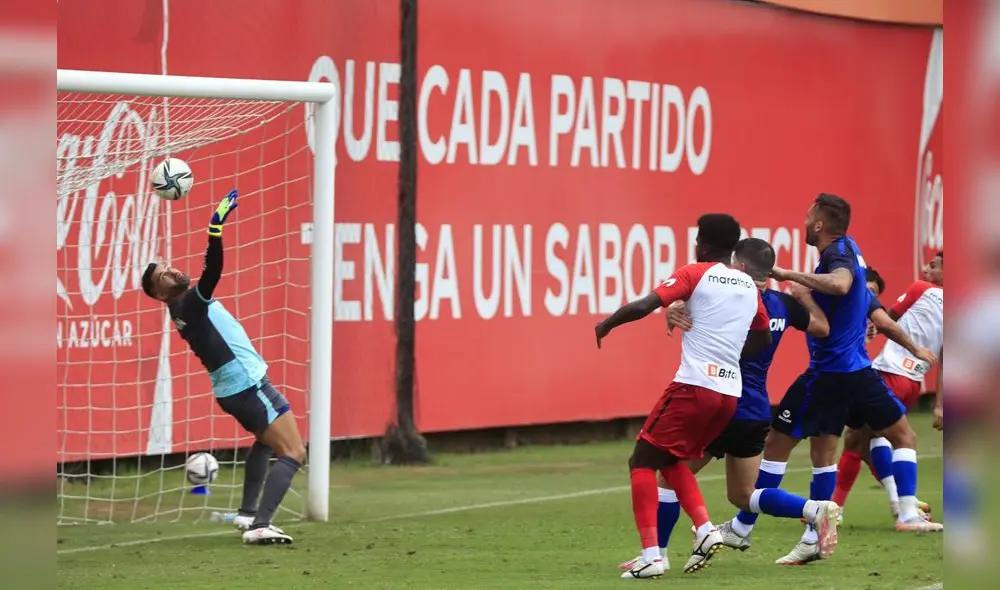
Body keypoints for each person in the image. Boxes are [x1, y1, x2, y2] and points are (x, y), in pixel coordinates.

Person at [617, 238, 839, 574]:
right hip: (755, 409)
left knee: (667, 472)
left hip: (718, 399)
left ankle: (659, 553)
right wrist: (804, 297)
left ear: (741, 265)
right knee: (744, 494)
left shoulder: (725, 296)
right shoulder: (780, 304)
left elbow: (699, 317)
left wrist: (675, 310)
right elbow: (822, 328)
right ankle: (812, 510)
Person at [762, 193, 939, 565]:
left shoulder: (838, 259)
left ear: (820, 224)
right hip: (862, 373)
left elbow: (840, 289)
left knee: (792, 445)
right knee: (868, 440)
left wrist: (790, 278)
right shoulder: (854, 254)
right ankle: (896, 510)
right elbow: (880, 316)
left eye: (809, 216)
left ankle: (750, 522)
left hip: (833, 374)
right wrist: (915, 349)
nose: (805, 221)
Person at [595, 214, 773, 579]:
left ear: (704, 243)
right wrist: (726, 348)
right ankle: (706, 530)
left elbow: (646, 304)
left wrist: (607, 324)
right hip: (728, 393)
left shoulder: (695, 273)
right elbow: (762, 338)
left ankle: (651, 555)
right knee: (671, 460)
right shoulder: (747, 285)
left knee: (641, 459)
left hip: (694, 386)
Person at [140, 189, 306, 545]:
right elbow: (213, 270)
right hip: (246, 384)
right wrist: (215, 229)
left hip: (235, 388)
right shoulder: (186, 305)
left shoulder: (180, 306)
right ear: (158, 295)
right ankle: (261, 524)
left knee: (264, 444)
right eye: (162, 276)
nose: (171, 271)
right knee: (294, 452)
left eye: (168, 266)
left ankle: (248, 515)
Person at [832, 253, 943, 523]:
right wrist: (940, 403)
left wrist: (866, 330)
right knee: (866, 437)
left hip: (890, 371)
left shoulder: (921, 289)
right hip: (914, 382)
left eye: (934, 266)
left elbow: (887, 318)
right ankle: (894, 503)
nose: (926, 269)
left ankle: (898, 506)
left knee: (860, 438)